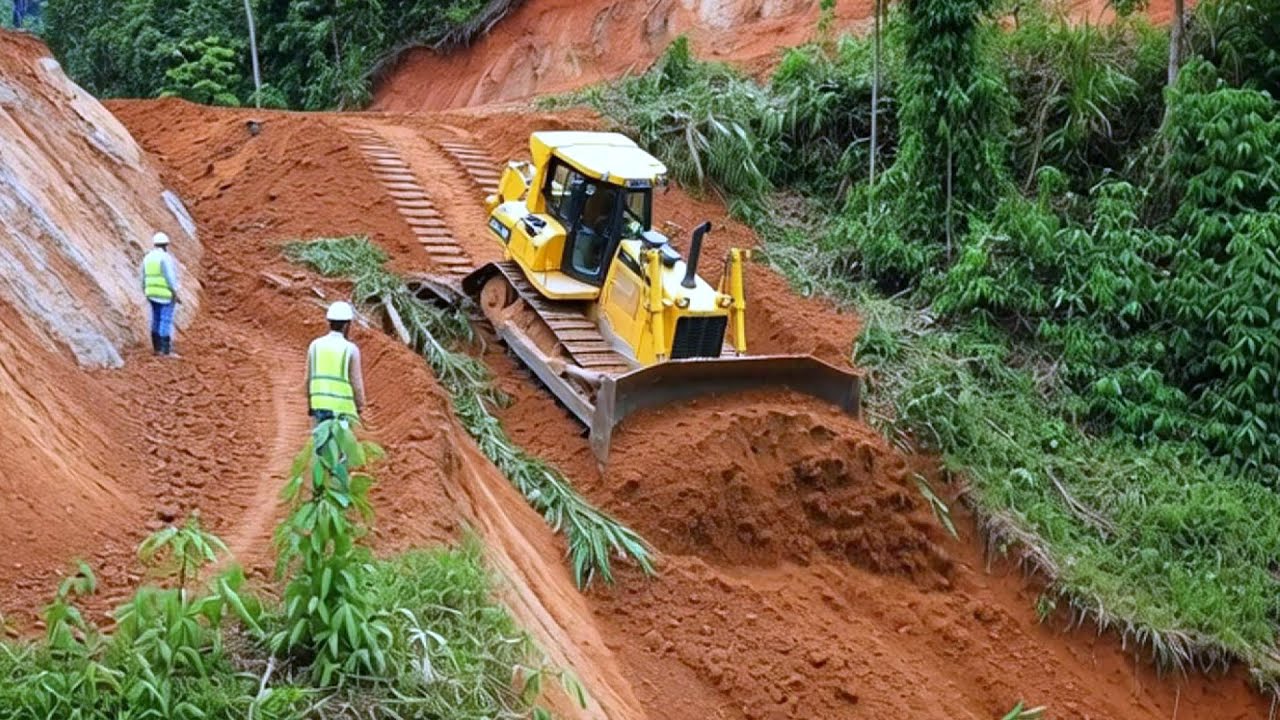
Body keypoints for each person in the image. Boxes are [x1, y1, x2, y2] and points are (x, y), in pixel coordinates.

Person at [306, 301, 366, 426]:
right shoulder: (351, 349)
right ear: (346, 325)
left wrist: (310, 404)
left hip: (318, 406)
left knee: (318, 437)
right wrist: (359, 406)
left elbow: (307, 379)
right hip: (342, 410)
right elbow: (356, 383)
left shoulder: (314, 345)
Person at [141, 231, 180, 357]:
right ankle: (165, 350)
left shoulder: (147, 257)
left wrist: (145, 290)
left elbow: (142, 276)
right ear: (166, 245)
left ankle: (157, 347)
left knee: (156, 318)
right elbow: (170, 277)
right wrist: (175, 292)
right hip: (165, 294)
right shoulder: (165, 258)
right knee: (165, 320)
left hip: (151, 293)